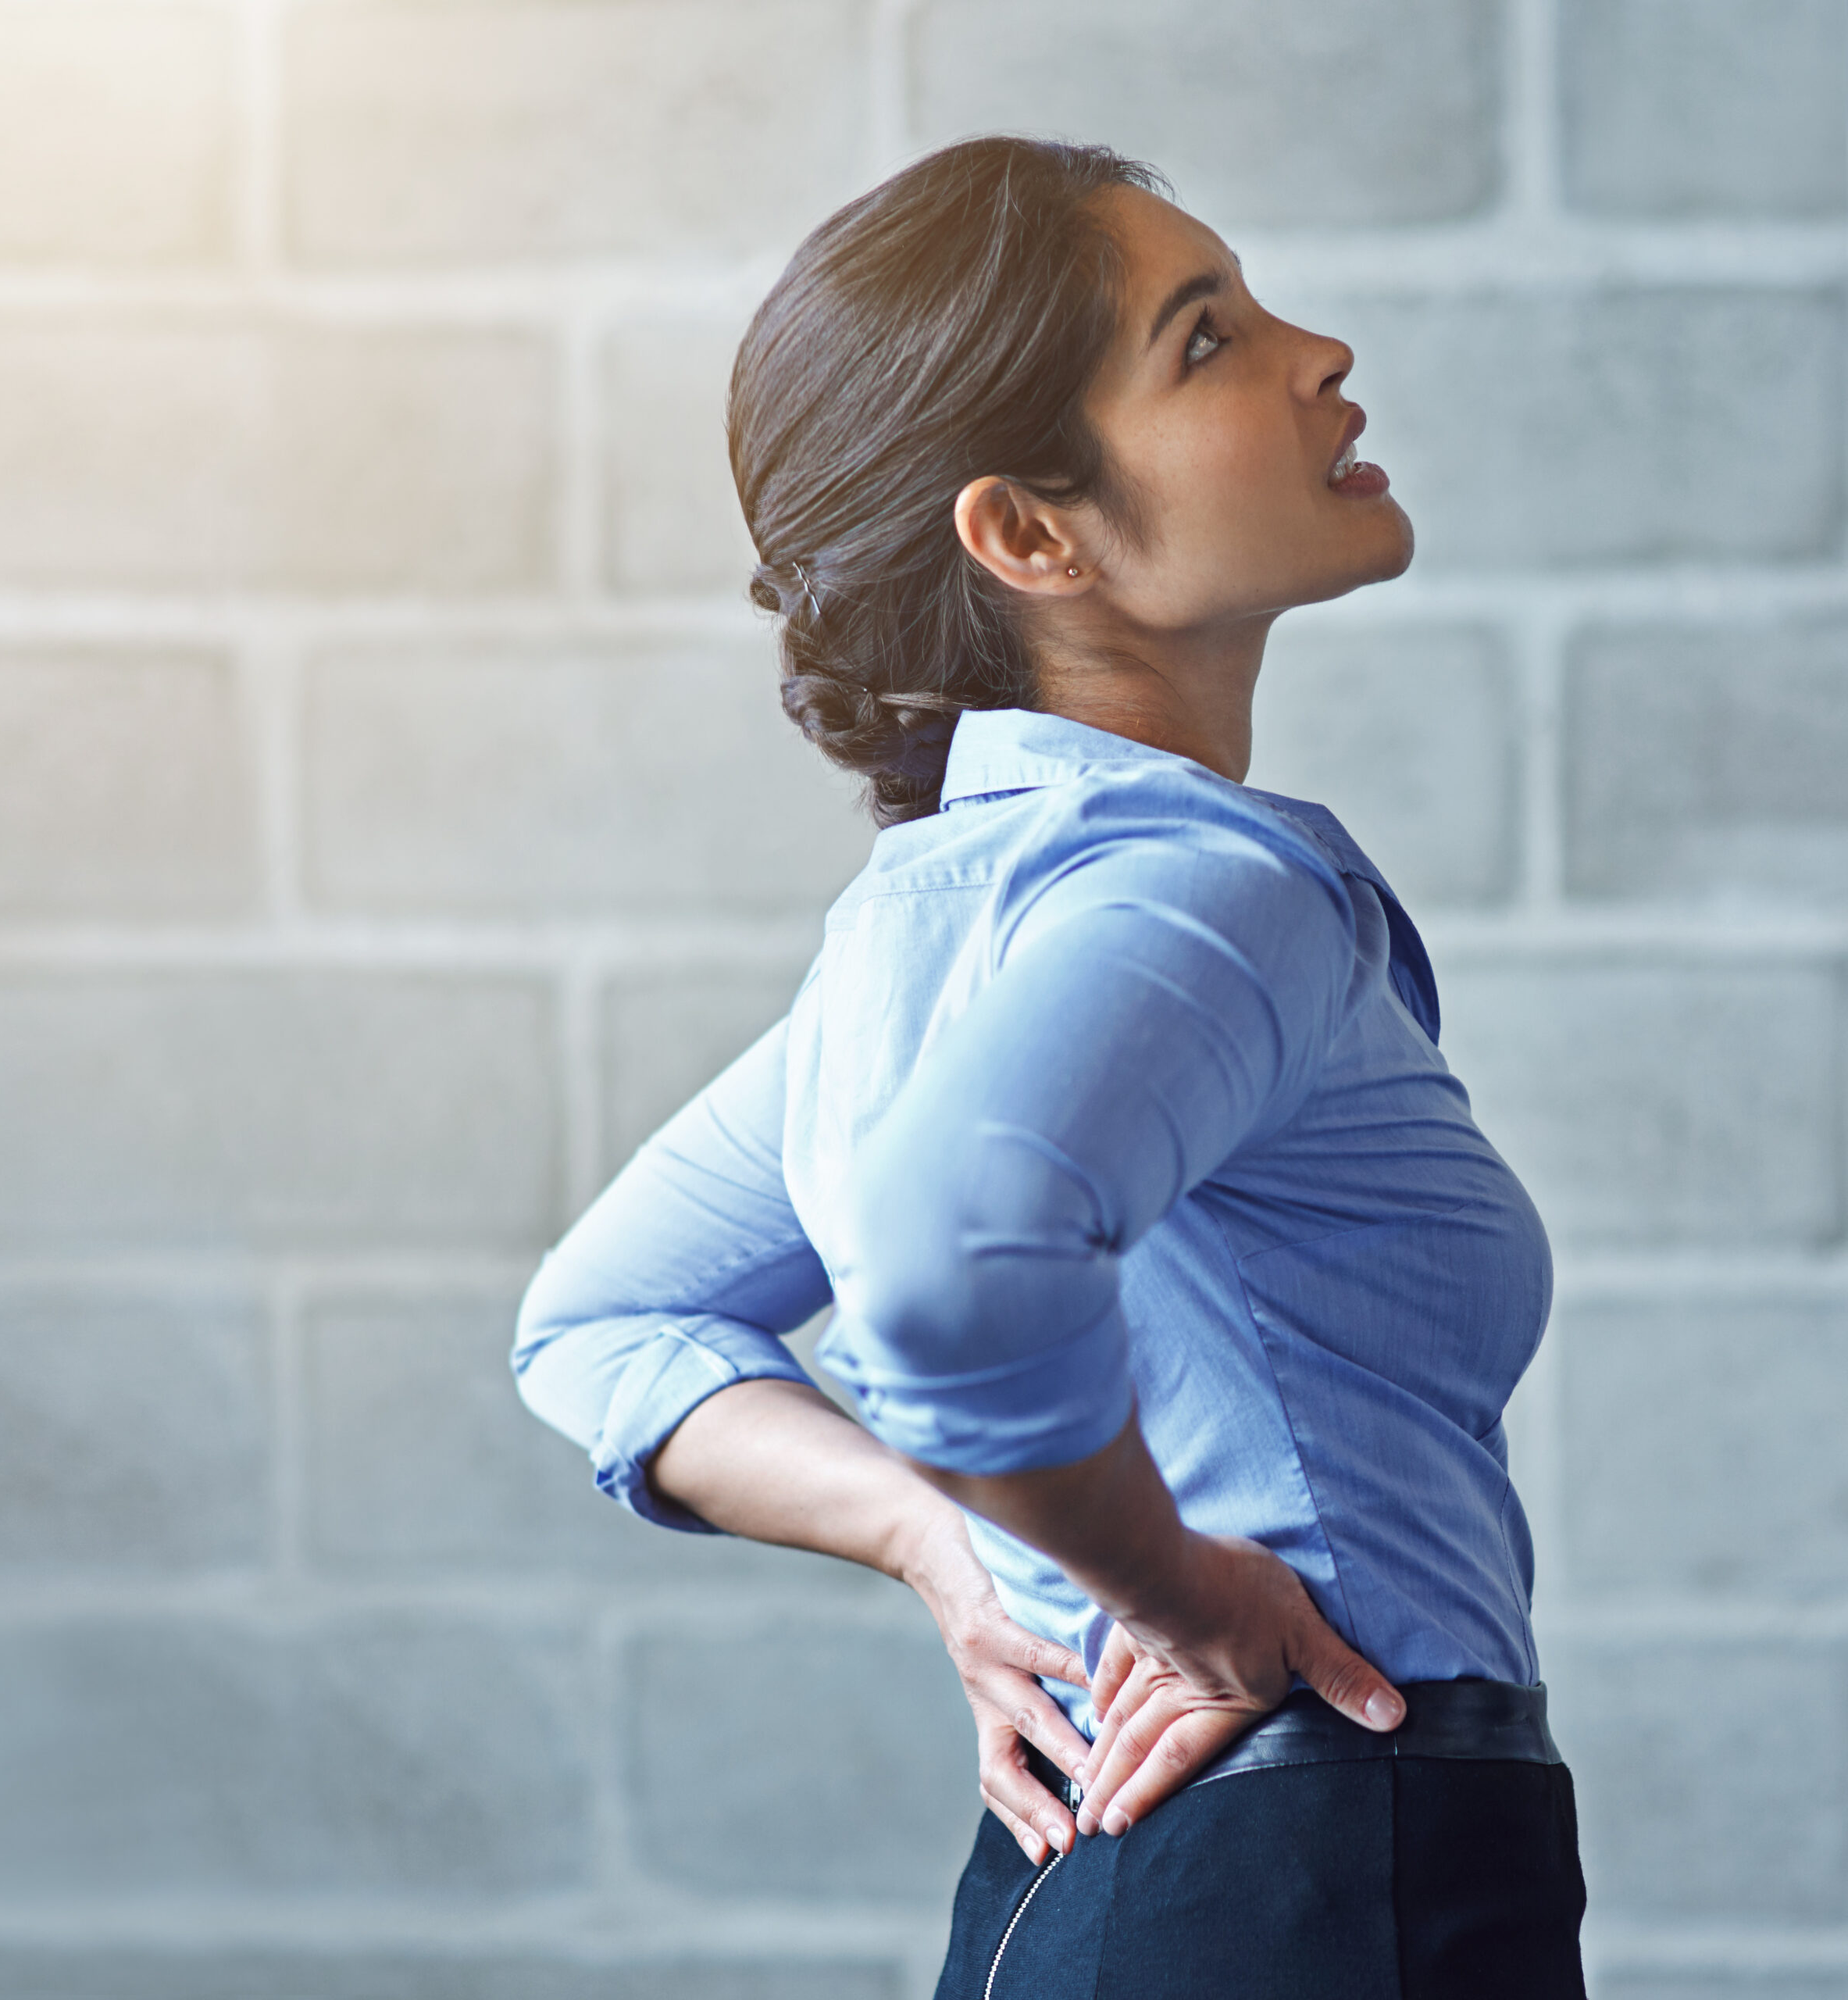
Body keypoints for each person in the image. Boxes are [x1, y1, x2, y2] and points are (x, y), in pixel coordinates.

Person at [513, 135, 1586, 1998]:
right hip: (1322, 1878)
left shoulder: (904, 944)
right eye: (1204, 341)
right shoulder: (1199, 886)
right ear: (1029, 535)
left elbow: (599, 1323)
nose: (1317, 354)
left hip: (1075, 1896)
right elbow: (944, 1262)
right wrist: (1169, 1584)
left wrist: (961, 1548)